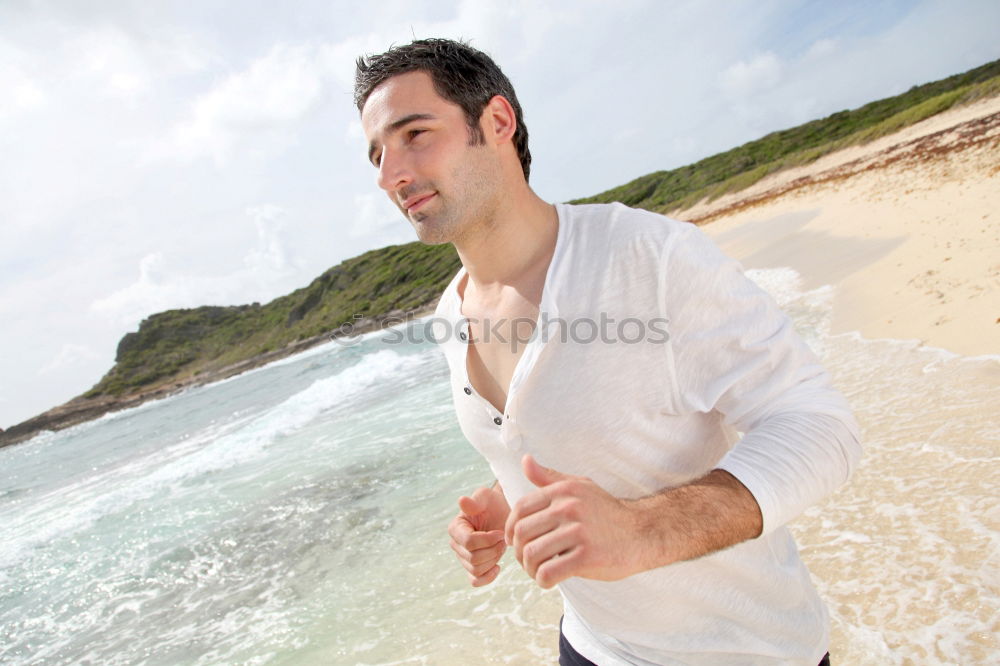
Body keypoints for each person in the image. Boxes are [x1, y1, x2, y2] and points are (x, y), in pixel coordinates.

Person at [354, 38, 859, 666]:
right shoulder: (449, 314)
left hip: (748, 650)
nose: (389, 174)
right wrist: (501, 496)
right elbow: (561, 432)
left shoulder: (649, 257)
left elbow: (820, 426)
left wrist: (642, 531)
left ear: (497, 122)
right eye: (376, 154)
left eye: (414, 134)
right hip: (594, 647)